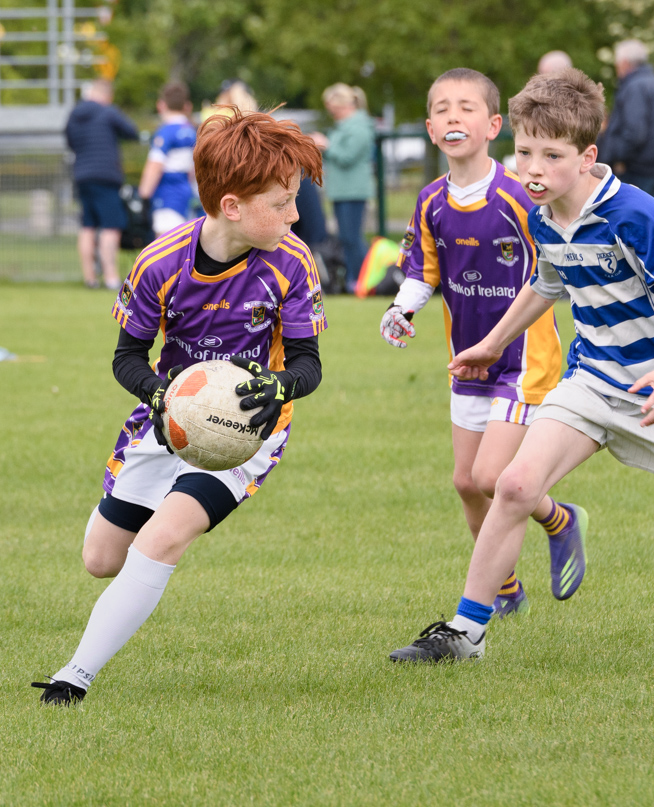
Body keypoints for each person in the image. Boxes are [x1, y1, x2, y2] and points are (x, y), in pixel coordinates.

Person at [389, 68, 654, 663]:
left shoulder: (637, 217)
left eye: (551, 155)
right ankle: (467, 633)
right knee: (514, 484)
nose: (532, 169)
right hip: (592, 380)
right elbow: (547, 282)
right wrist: (493, 343)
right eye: (523, 153)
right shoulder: (543, 214)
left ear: (587, 156)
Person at [32, 107, 327, 705]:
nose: (295, 215)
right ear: (232, 205)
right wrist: (160, 398)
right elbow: (127, 357)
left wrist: (278, 389)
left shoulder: (292, 263)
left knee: (164, 537)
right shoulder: (159, 263)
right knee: (100, 559)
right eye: (281, 201)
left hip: (249, 431)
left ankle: (73, 677)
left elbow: (307, 364)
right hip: (167, 420)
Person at [379, 68, 588, 621]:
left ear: (494, 124)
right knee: (466, 484)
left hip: (525, 359)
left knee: (493, 477)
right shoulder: (430, 201)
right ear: (429, 128)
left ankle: (559, 519)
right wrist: (402, 308)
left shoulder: (519, 193)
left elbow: (554, 263)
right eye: (442, 108)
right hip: (468, 359)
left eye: (467, 107)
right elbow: (423, 271)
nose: (454, 116)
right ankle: (507, 585)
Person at [65, 79, 140, 289]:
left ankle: (90, 278)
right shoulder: (108, 111)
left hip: (82, 176)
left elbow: (70, 141)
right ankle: (111, 278)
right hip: (106, 177)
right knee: (111, 225)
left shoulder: (74, 115)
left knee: (87, 226)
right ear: (106, 95)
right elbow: (131, 131)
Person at [311, 83, 375, 294]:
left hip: (353, 192)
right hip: (341, 191)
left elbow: (348, 157)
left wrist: (327, 145)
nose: (331, 112)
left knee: (353, 238)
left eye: (332, 107)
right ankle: (351, 280)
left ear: (342, 105)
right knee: (346, 238)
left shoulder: (359, 126)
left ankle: (363, 280)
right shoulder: (343, 125)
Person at [596, 39, 654, 199]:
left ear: (625, 63)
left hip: (638, 169)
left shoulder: (635, 88)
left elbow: (634, 133)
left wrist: (610, 158)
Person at [138, 81, 197, 236]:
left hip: (167, 192)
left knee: (165, 247)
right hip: (185, 190)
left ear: (161, 105)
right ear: (186, 106)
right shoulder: (191, 131)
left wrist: (143, 196)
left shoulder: (166, 132)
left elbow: (154, 166)